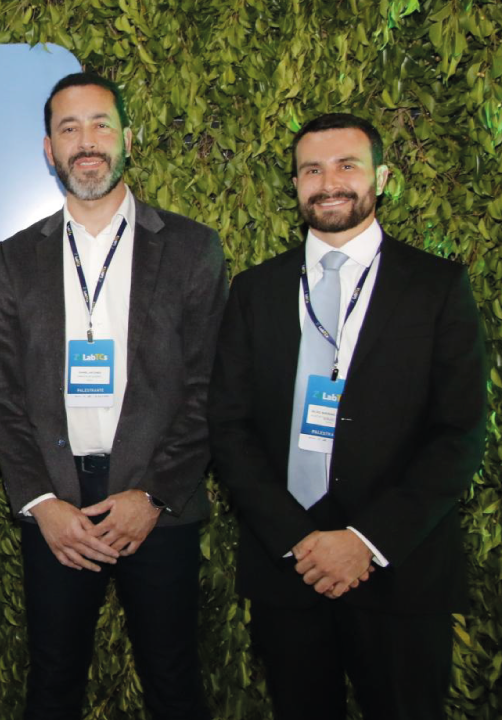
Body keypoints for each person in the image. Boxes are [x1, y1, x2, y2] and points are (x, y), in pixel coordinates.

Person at [208, 113, 486, 720]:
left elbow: (460, 432)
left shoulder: (436, 286)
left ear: (381, 178)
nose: (328, 182)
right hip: (289, 570)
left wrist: (365, 541)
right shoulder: (255, 291)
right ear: (295, 185)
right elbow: (228, 426)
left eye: (346, 166)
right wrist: (298, 539)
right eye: (312, 169)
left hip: (398, 570)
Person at [0, 72, 227, 720]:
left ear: (127, 138)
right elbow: (3, 395)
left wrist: (153, 495)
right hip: (57, 508)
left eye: (99, 124)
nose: (85, 141)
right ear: (48, 149)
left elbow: (210, 387)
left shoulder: (192, 248)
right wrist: (42, 504)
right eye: (69, 128)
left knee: (174, 682)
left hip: (157, 508)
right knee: (53, 682)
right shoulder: (16, 257)